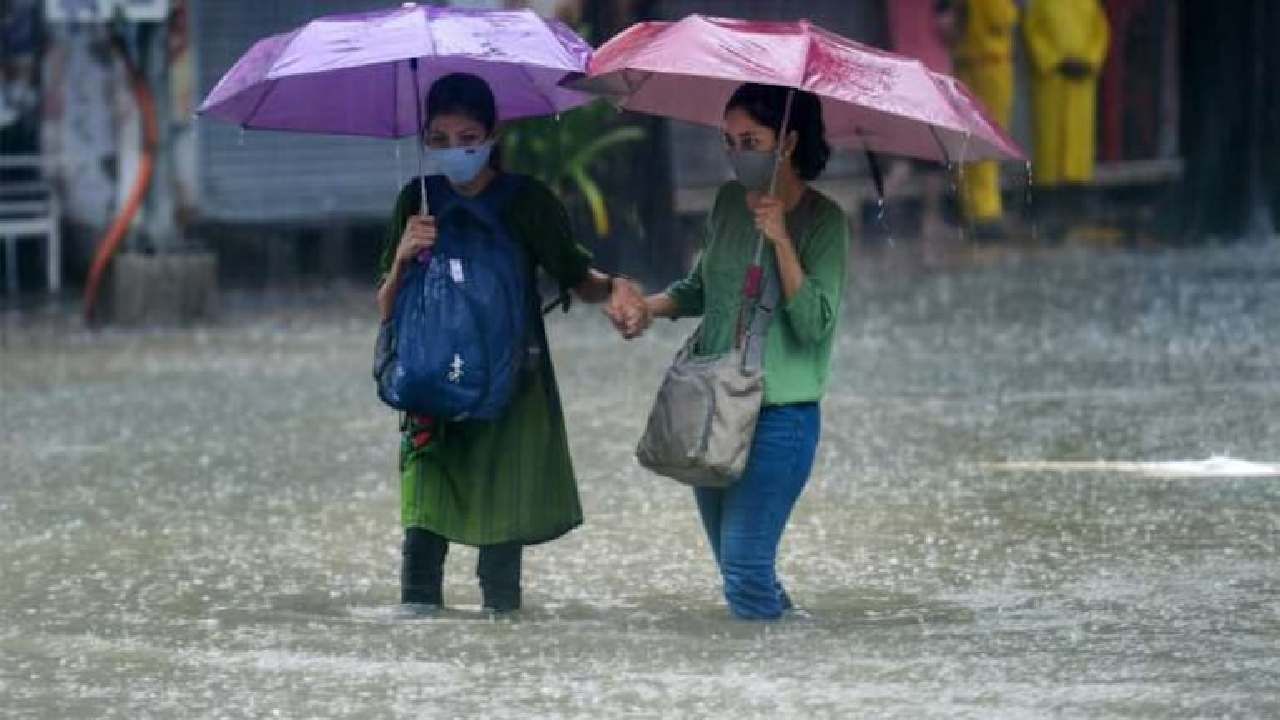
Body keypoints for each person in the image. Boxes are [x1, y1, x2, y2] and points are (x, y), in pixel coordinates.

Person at [376, 73, 642, 614]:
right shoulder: (415, 200)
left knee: (501, 555)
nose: (456, 150)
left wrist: (614, 288)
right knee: (422, 536)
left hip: (511, 390)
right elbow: (386, 309)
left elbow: (575, 277)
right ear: (426, 139)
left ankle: (504, 661)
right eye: (441, 139)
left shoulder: (529, 203)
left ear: (494, 133)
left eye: (469, 137)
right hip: (431, 388)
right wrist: (404, 255)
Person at [616, 83, 851, 620]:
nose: (737, 154)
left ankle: (767, 692)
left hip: (780, 418)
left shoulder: (826, 222)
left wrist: (782, 241)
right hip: (714, 409)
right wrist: (646, 309)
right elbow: (700, 288)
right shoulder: (726, 202)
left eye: (751, 141)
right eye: (729, 141)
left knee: (745, 570)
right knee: (741, 572)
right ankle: (792, 663)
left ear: (787, 142)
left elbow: (814, 325)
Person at [953, 0, 1019, 237]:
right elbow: (1003, 18)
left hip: (967, 62)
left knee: (968, 137)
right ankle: (986, 211)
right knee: (989, 137)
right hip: (990, 65)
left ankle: (970, 206)